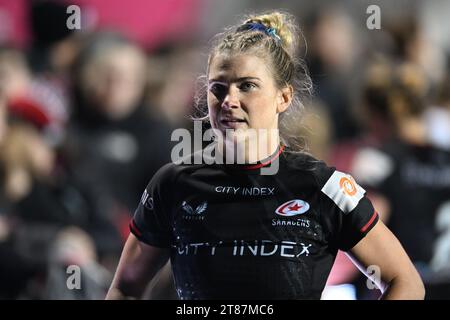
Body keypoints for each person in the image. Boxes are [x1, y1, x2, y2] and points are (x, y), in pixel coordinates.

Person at [106, 11, 424, 300]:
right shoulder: (173, 184)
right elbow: (125, 288)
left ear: (283, 97)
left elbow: (405, 281)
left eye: (247, 86)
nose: (229, 100)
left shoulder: (322, 187)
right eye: (218, 88)